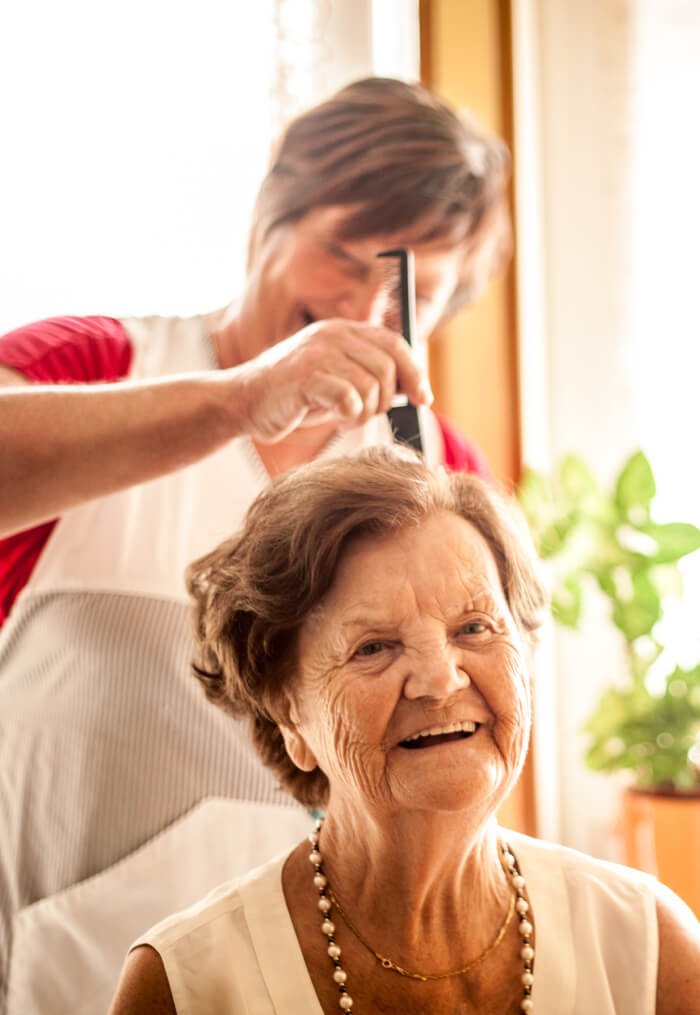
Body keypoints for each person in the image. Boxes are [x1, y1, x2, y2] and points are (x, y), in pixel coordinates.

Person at [0, 78, 509, 1010]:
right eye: (340, 254)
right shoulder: (94, 370)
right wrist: (240, 398)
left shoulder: (441, 473)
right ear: (265, 222)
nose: (363, 307)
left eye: (411, 292)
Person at [108, 445, 700, 1014]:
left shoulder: (650, 948)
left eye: (473, 628)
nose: (440, 681)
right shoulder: (183, 987)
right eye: (374, 647)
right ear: (289, 714)